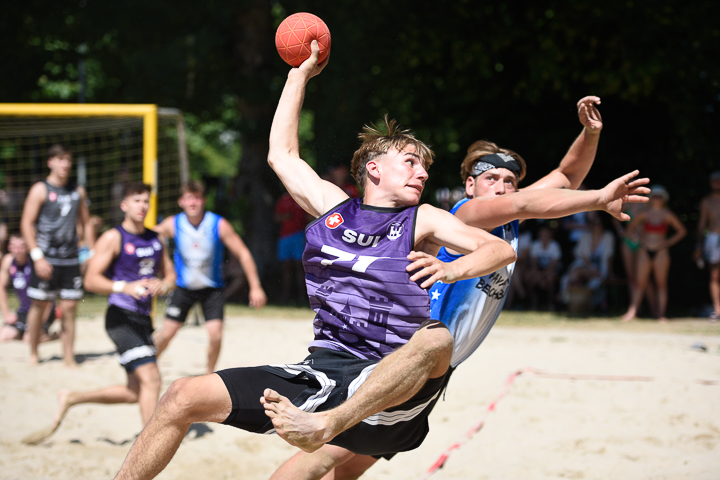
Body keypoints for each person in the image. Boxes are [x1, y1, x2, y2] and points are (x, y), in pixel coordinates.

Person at [112, 42, 517, 480]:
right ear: (375, 169)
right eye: (411, 162)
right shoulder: (336, 207)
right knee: (179, 396)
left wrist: (452, 268)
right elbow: (281, 155)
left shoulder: (421, 220)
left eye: (424, 167)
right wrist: (298, 75)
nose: (422, 173)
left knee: (435, 339)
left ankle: (328, 425)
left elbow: (501, 250)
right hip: (324, 370)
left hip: (394, 391)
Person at [268, 100, 651, 480]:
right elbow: (530, 201)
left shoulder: (507, 212)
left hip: (436, 365)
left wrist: (591, 133)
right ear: (470, 185)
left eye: (508, 181)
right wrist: (598, 199)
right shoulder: (469, 213)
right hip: (407, 354)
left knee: (363, 455)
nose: (501, 188)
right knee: (328, 452)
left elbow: (566, 178)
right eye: (491, 180)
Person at [22, 182, 176, 445]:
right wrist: (124, 286)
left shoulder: (155, 238)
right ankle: (151, 443)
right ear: (124, 205)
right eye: (137, 200)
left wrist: (164, 284)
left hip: (143, 320)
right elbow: (91, 280)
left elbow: (171, 274)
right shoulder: (113, 237)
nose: (143, 205)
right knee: (152, 378)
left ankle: (72, 397)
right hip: (120, 317)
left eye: (146, 201)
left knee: (134, 392)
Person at [152, 180, 267, 375]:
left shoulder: (217, 224)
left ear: (203, 200)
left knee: (215, 336)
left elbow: (244, 254)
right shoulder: (174, 223)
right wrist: (163, 263)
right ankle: (147, 366)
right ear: (181, 201)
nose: (193, 203)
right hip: (184, 288)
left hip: (212, 289)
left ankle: (209, 373)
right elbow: (148, 238)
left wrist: (256, 287)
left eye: (197, 198)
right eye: (189, 199)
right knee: (166, 334)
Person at [20, 143, 94, 367]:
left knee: (70, 308)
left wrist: (90, 252)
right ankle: (33, 352)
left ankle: (69, 356)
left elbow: (86, 222)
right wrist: (37, 256)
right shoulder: (40, 189)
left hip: (70, 258)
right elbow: (26, 223)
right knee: (39, 307)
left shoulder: (77, 190)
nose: (65, 164)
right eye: (61, 159)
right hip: (46, 257)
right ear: (50, 162)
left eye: (68, 160)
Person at [621, 185, 687, 322]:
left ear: (664, 199)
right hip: (644, 250)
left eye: (660, 197)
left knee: (661, 284)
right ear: (650, 199)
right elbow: (630, 229)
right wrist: (638, 240)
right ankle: (632, 312)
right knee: (640, 283)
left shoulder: (667, 214)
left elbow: (681, 231)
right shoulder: (644, 213)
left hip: (661, 251)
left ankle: (661, 314)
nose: (657, 199)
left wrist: (668, 243)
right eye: (654, 196)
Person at [0, 233, 58, 343]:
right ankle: (25, 332)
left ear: (27, 247)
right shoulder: (8, 261)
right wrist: (7, 314)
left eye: (21, 247)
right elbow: (1, 288)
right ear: (9, 247)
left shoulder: (36, 263)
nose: (17, 250)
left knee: (29, 339)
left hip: (41, 310)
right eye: (14, 246)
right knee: (3, 336)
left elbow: (48, 294)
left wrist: (41, 321)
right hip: (24, 310)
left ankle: (53, 336)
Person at [561, 211, 616, 311]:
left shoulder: (608, 237)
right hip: (586, 267)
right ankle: (572, 301)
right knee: (575, 272)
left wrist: (609, 272)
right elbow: (581, 257)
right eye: (594, 224)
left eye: (598, 223)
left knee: (577, 274)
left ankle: (568, 300)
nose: (596, 226)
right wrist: (592, 268)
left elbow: (609, 257)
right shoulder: (585, 237)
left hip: (599, 270)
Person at [274, 190, 310, 305]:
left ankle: (302, 297)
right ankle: (286, 297)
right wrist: (286, 216)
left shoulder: (302, 199)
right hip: (285, 237)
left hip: (299, 236)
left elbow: (309, 217)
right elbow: (276, 217)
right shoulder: (283, 199)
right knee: (286, 268)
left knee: (300, 267)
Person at [694, 171, 720, 320]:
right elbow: (702, 224)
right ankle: (717, 310)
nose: (717, 183)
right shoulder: (707, 201)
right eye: (714, 181)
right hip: (713, 238)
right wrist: (699, 245)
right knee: (714, 275)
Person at [525, 225, 563, 310]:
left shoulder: (555, 246)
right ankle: (533, 302)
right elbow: (533, 264)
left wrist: (542, 277)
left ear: (551, 235)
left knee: (550, 278)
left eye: (546, 234)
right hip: (538, 271)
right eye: (542, 234)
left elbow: (553, 266)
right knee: (529, 277)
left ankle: (550, 302)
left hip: (550, 271)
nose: (544, 236)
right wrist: (538, 276)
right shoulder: (535, 245)